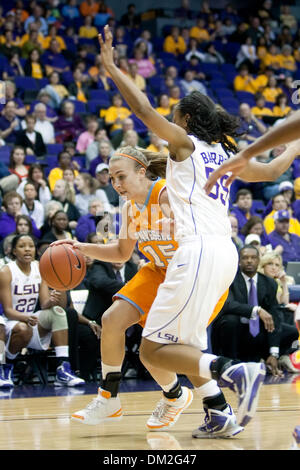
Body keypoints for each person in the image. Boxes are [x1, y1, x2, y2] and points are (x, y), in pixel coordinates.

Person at [56, 26, 300, 435]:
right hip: (225, 253)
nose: (169, 123)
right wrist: (295, 144)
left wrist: (114, 69)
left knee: (154, 349)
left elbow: (144, 112)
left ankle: (234, 372)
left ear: (186, 119)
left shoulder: (184, 145)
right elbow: (275, 169)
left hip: (198, 250)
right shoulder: (223, 153)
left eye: (175, 118)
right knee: (168, 349)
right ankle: (219, 412)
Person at [0, 234, 85, 387]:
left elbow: (44, 303)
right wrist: (26, 318)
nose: (27, 250)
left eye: (31, 246)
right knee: (23, 328)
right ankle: (6, 367)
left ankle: (63, 368)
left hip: (31, 320)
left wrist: (52, 300)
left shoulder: (41, 267)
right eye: (22, 246)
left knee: (58, 311)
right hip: (11, 323)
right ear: (13, 251)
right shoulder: (6, 272)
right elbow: (7, 311)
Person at [211, 245, 299, 375]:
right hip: (236, 331)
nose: (249, 261)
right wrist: (256, 310)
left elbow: (274, 316)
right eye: (245, 258)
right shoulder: (230, 280)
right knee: (230, 320)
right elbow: (228, 304)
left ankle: (274, 359)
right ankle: (230, 364)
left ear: (258, 261)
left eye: (253, 258)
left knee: (291, 331)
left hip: (258, 332)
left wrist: (273, 353)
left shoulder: (269, 283)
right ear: (239, 261)